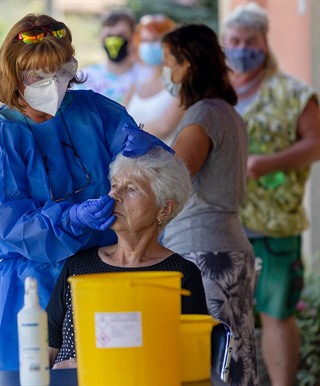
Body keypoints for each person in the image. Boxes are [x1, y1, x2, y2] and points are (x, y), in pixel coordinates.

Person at [0, 13, 143, 371]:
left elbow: (149, 181)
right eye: (38, 76)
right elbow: (10, 223)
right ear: (14, 77)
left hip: (102, 277)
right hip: (30, 289)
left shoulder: (96, 112)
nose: (54, 85)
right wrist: (71, 218)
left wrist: (147, 159)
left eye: (61, 72)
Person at [222, 4, 320, 385]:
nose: (242, 48)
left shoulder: (293, 93)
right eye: (234, 41)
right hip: (223, 222)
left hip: (275, 224)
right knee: (226, 313)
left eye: (250, 41)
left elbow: (315, 143)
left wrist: (270, 162)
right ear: (223, 43)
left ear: (264, 43)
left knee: (276, 313)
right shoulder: (215, 90)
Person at [47, 146, 209, 368]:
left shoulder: (180, 275)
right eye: (114, 186)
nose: (114, 195)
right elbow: (46, 347)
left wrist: (94, 364)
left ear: (164, 209)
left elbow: (192, 362)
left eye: (131, 189)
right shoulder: (78, 265)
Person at [160, 24, 257, 385]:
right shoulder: (228, 113)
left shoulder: (202, 115)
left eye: (169, 63)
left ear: (187, 65)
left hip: (203, 250)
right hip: (229, 244)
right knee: (237, 353)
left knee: (211, 359)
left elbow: (173, 179)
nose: (166, 74)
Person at [123, 14, 184, 145]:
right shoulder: (137, 85)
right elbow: (118, 119)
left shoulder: (181, 84)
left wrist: (127, 132)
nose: (149, 46)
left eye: (155, 40)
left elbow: (165, 126)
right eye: (144, 40)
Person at [74, 7, 150, 105]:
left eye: (121, 35)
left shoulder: (146, 77)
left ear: (133, 37)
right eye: (109, 36)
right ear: (100, 38)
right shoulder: (84, 78)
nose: (114, 41)